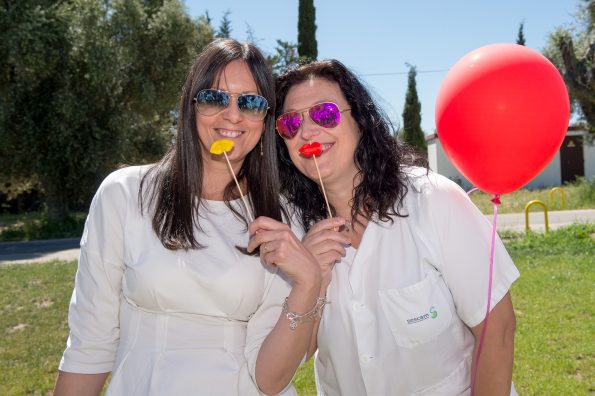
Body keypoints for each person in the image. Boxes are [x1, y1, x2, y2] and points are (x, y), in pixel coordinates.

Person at [53, 39, 323, 396]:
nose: (233, 115)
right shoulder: (124, 194)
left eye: (251, 102)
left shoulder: (282, 218)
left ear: (265, 119)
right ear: (190, 105)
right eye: (215, 98)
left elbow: (270, 380)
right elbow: (90, 344)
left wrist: (308, 283)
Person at [274, 59, 520, 395]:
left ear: (360, 119)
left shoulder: (432, 199)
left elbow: (498, 329)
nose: (307, 131)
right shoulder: (295, 229)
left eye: (324, 113)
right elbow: (297, 355)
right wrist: (311, 282)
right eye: (290, 123)